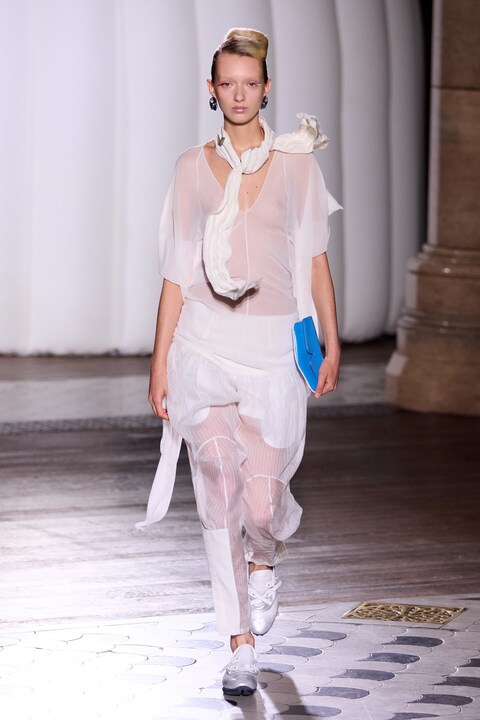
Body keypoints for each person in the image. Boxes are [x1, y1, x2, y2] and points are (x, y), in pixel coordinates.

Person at [140, 27, 341, 696]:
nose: (238, 94)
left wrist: (332, 339)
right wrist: (160, 361)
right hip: (202, 346)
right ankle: (239, 646)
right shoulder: (190, 168)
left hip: (272, 352)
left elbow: (315, 259)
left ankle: (265, 557)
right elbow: (176, 272)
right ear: (212, 89)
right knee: (219, 489)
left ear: (266, 88)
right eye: (227, 83)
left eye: (249, 83)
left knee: (261, 503)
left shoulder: (296, 165)